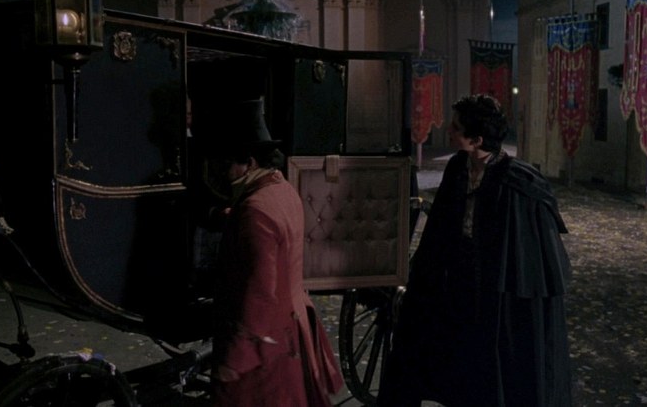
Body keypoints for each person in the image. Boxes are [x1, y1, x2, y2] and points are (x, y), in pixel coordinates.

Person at [378, 94, 573, 406]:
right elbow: (441, 225)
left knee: (490, 358)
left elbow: (524, 250)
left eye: (456, 128)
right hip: (458, 278)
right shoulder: (458, 166)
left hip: (495, 287)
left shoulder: (515, 180)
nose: (449, 131)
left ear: (477, 139)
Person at [210, 99, 343, 407]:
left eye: (227, 164)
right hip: (289, 327)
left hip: (266, 344)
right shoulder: (282, 190)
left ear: (249, 163)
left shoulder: (255, 210)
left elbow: (260, 292)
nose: (223, 172)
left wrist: (237, 358)